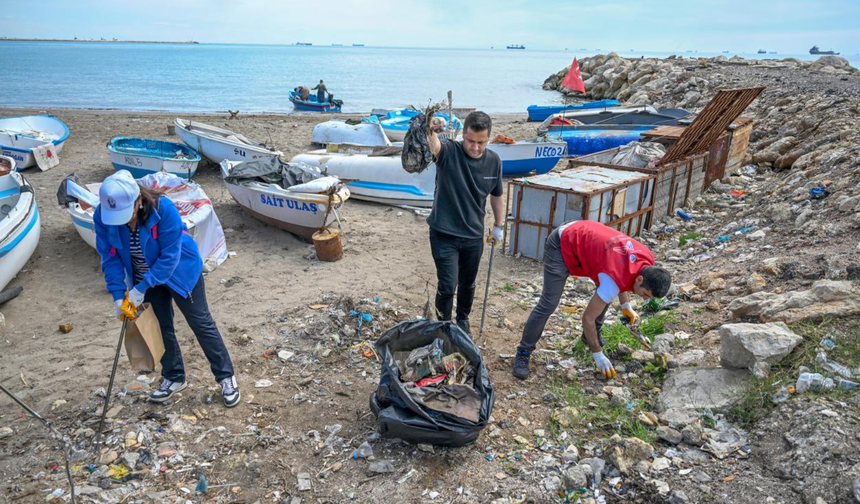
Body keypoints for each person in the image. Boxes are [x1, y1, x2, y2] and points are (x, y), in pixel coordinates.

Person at [94, 171, 241, 407]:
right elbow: (109, 257)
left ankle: (226, 377)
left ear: (138, 201)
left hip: (180, 272)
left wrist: (140, 288)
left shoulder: (164, 210)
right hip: (144, 277)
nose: (122, 222)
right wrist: (118, 296)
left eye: (127, 215)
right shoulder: (103, 215)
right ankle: (174, 377)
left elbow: (170, 257)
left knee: (201, 323)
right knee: (161, 326)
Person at [512, 220, 671, 380]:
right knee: (549, 303)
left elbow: (624, 278)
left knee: (605, 295)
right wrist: (598, 354)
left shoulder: (647, 260)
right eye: (645, 294)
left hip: (589, 243)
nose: (643, 299)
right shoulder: (613, 281)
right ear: (641, 279)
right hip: (563, 242)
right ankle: (523, 353)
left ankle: (589, 338)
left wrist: (626, 305)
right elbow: (587, 317)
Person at [427, 111, 505, 335]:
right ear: (463, 135)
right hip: (444, 233)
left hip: (473, 235)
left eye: (481, 142)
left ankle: (462, 320)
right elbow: (434, 145)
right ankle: (443, 325)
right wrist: (431, 128)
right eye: (470, 141)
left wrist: (499, 225)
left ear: (488, 138)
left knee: (468, 284)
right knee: (447, 285)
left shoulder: (493, 161)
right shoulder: (449, 151)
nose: (475, 147)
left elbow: (497, 194)